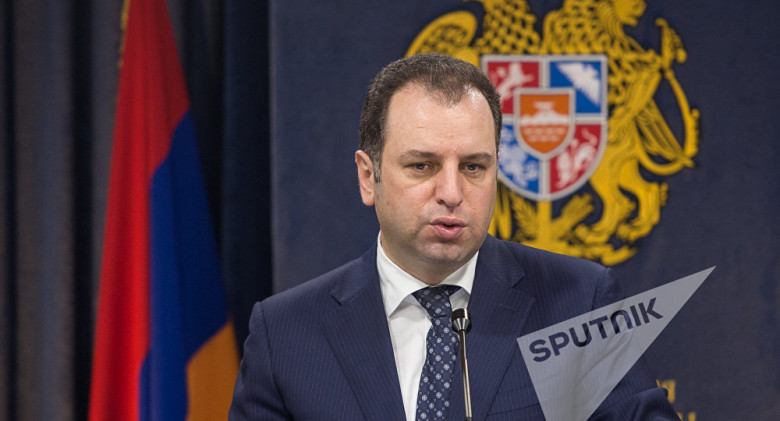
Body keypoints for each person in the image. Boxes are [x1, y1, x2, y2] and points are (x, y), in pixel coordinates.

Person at [229, 54, 677, 420]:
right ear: (368, 177)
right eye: (422, 166)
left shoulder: (580, 302)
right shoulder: (285, 333)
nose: (451, 192)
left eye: (473, 167)